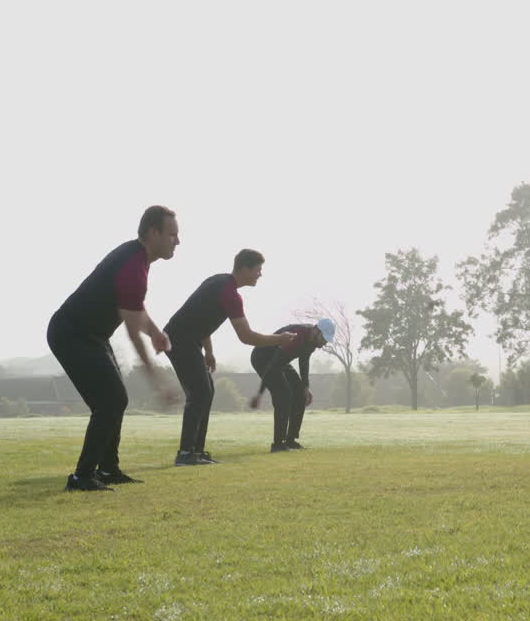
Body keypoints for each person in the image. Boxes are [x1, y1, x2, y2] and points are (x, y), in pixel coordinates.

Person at [47, 205, 180, 492]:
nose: (177, 242)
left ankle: (107, 469)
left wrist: (156, 332)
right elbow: (133, 334)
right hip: (71, 333)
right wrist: (160, 383)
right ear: (152, 232)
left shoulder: (137, 259)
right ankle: (82, 476)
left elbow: (135, 310)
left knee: (115, 399)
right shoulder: (133, 265)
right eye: (172, 235)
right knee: (110, 400)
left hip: (92, 335)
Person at [164, 249, 296, 467]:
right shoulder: (230, 294)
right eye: (257, 270)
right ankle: (186, 453)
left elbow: (200, 317)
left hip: (189, 342)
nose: (259, 275)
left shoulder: (219, 282)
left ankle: (196, 451)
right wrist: (280, 339)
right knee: (200, 392)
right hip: (179, 341)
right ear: (244, 268)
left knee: (206, 391)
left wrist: (209, 351)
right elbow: (247, 336)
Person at [249, 318, 335, 452]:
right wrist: (260, 393)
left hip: (281, 360)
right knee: (284, 394)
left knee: (300, 393)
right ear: (316, 331)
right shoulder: (296, 337)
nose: (324, 343)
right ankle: (278, 444)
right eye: (323, 338)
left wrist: (305, 387)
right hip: (263, 359)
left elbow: (304, 361)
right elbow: (272, 366)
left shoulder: (312, 341)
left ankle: (291, 440)